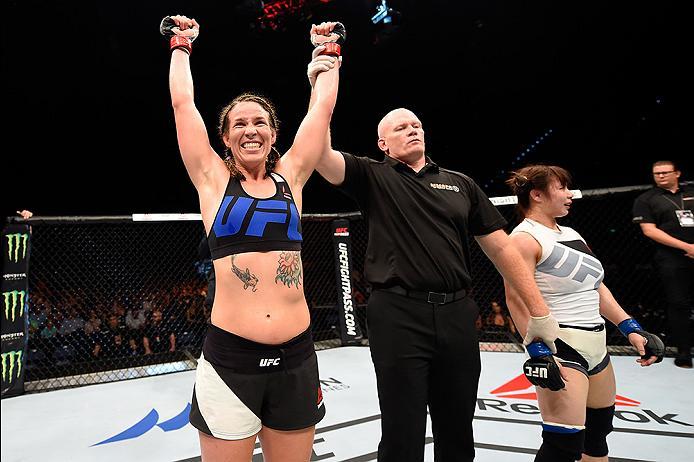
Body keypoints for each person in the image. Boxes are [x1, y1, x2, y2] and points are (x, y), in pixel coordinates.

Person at [313, 102, 563, 460]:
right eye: (400, 128)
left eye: (416, 125)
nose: (412, 130)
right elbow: (320, 154)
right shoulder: (372, 175)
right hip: (397, 313)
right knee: (402, 427)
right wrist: (323, 83)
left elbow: (503, 250)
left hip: (457, 313)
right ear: (383, 144)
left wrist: (539, 311)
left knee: (458, 425)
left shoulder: (460, 184)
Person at [163, 15, 341, 461]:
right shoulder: (212, 181)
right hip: (230, 361)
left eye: (260, 122)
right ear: (225, 138)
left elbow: (321, 111)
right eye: (239, 124)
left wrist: (327, 55)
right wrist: (180, 46)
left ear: (274, 134)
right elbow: (184, 107)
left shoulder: (292, 179)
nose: (250, 129)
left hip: (297, 357)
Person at [504, 165, 663, 462]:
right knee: (562, 444)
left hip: (596, 343)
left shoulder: (571, 233)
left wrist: (630, 327)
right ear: (537, 195)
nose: (569, 194)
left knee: (597, 436)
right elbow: (515, 299)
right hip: (561, 345)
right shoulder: (523, 238)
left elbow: (596, 287)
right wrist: (538, 351)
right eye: (561, 188)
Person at [632, 160, 693, 368]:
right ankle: (684, 351)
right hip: (672, 258)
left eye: (665, 172)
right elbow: (649, 230)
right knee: (679, 303)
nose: (661, 176)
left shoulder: (691, 191)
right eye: (656, 173)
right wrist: (687, 247)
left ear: (677, 173)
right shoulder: (647, 199)